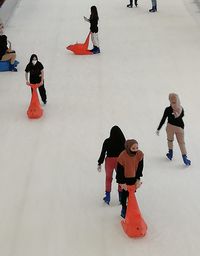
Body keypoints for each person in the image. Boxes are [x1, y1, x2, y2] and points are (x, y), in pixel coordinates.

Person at [156, 93, 191, 166]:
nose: (173, 104)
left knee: (171, 140)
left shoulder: (169, 109)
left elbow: (164, 119)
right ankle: (183, 157)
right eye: (172, 102)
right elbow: (180, 116)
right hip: (177, 128)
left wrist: (159, 129)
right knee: (180, 143)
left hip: (171, 127)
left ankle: (171, 154)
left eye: (174, 102)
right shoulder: (180, 108)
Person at [98, 126, 126, 205]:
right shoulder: (123, 141)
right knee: (120, 179)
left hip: (109, 161)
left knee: (108, 178)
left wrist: (100, 162)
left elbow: (103, 152)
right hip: (119, 161)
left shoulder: (107, 141)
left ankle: (107, 197)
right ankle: (121, 197)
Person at [116, 139, 144, 218]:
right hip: (124, 179)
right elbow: (119, 171)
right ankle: (124, 209)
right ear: (128, 148)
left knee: (132, 194)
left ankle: (132, 208)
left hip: (133, 177)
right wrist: (121, 182)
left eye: (137, 148)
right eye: (133, 148)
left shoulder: (139, 154)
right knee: (125, 194)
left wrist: (138, 179)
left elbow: (140, 167)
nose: (135, 150)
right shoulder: (122, 156)